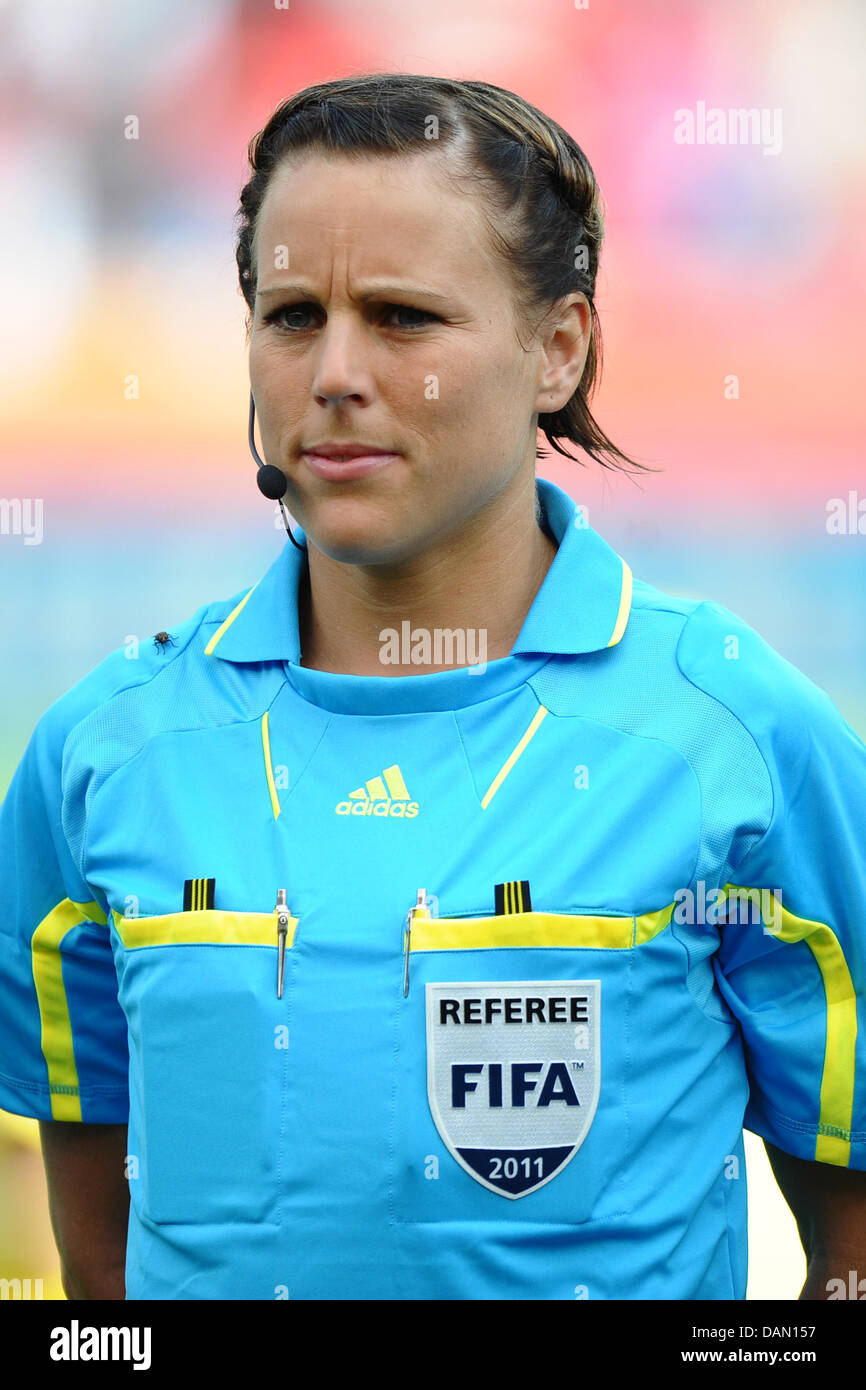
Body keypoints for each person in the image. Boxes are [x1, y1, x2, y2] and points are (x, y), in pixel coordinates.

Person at [1, 73, 865, 1302]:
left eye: (402, 317)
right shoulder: (103, 751)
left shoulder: (739, 736)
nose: (335, 373)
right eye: (292, 316)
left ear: (558, 348)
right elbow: (100, 1288)